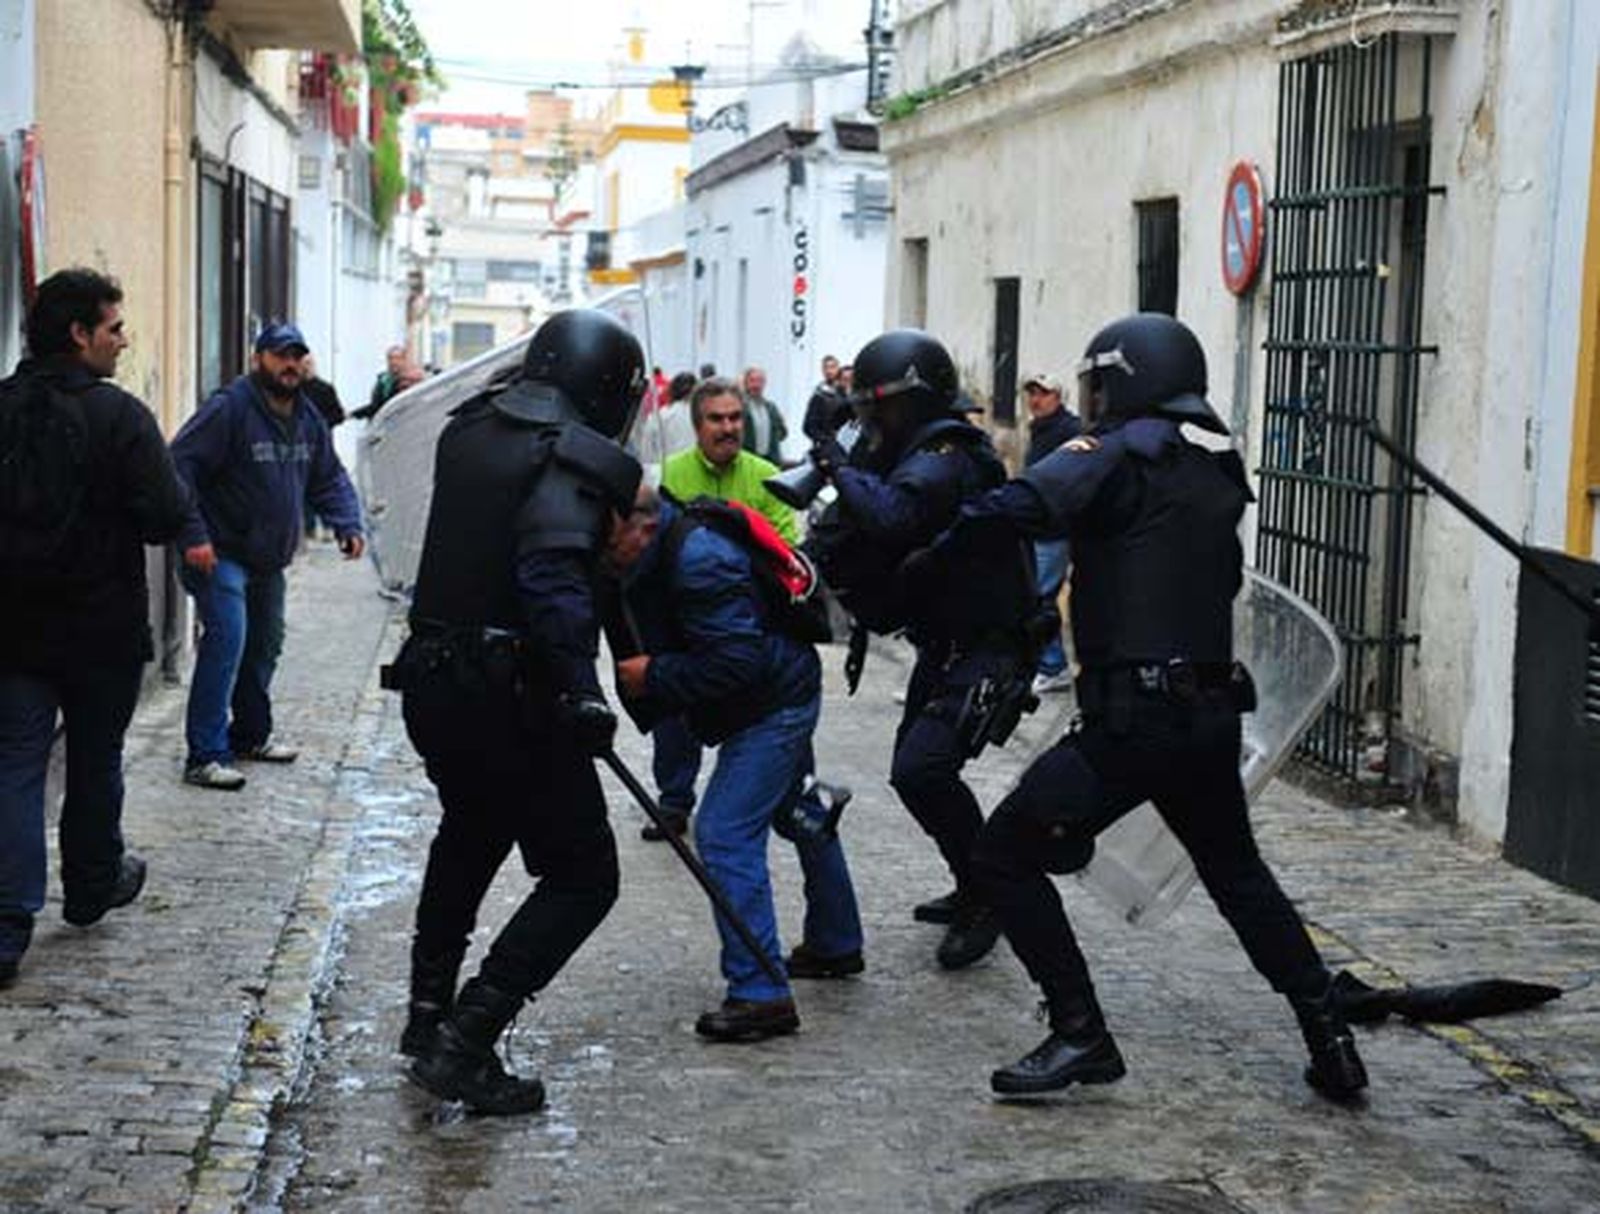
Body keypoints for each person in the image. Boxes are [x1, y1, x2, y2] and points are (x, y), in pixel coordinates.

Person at [917, 313, 1368, 1101]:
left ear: (1127, 380)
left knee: (1000, 855)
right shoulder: (1217, 464)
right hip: (1209, 717)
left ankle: (1080, 1032)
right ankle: (1330, 1038)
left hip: (1135, 723)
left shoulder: (1117, 452)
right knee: (1238, 874)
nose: (1093, 401)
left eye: (1099, 385)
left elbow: (1018, 506)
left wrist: (935, 544)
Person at [389, 308, 644, 1115]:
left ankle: (426, 1017)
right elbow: (550, 576)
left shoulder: (469, 430)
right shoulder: (571, 457)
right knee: (585, 876)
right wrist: (581, 689)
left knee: (470, 833)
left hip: (435, 680)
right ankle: (465, 1040)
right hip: (512, 695)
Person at [804, 330, 1038, 972]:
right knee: (915, 775)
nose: (870, 424)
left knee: (923, 770)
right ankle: (973, 880)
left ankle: (990, 895)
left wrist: (835, 456)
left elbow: (892, 517)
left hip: (989, 646)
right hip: (946, 645)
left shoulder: (947, 455)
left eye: (875, 410)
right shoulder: (907, 453)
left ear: (906, 403)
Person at [606, 486, 862, 1041]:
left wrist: (655, 675)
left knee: (724, 831)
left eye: (609, 542)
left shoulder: (699, 560)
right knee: (795, 811)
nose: (606, 556)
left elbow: (736, 662)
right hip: (778, 687)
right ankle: (836, 942)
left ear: (641, 527)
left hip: (773, 704)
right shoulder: (666, 545)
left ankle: (761, 994)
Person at [0, 269, 195, 985]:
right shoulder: (120, 418)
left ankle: (6, 927)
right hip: (99, 630)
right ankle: (90, 884)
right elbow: (167, 514)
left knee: (16, 767)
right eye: (114, 328)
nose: (124, 340)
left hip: (14, 629)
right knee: (93, 761)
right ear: (80, 334)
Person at [171, 324, 365, 791]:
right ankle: (205, 755)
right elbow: (178, 464)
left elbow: (328, 476)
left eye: (297, 356)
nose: (290, 365)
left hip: (268, 558)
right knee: (227, 640)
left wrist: (347, 522)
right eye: (280, 355)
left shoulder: (307, 417)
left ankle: (250, 736)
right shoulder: (229, 409)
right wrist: (192, 533)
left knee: (265, 644)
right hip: (219, 552)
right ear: (258, 359)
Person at [645, 379, 800, 842]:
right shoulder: (668, 476)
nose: (728, 427)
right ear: (697, 426)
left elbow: (787, 547)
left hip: (752, 623)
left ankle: (782, 802)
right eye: (716, 419)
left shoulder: (768, 476)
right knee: (672, 709)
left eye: (734, 418)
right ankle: (674, 801)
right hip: (683, 624)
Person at [1020, 372, 1081, 695]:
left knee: (1039, 596)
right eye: (1032, 393)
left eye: (1043, 393)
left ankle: (1053, 666)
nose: (1035, 400)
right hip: (1040, 527)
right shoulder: (1041, 429)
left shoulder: (1069, 430)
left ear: (1058, 396)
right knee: (1038, 596)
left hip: (1055, 530)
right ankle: (1050, 664)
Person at [634, 370, 697, 472]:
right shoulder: (703, 416)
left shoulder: (657, 417)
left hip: (664, 473)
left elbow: (646, 454)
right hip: (694, 473)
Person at [740, 366, 788, 466]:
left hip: (770, 460)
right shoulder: (739, 406)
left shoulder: (771, 407)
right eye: (752, 381)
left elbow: (783, 433)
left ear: (764, 384)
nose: (756, 385)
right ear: (745, 383)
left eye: (760, 381)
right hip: (748, 460)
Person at [352, 345, 407, 421]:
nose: (394, 362)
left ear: (404, 360)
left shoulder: (409, 381)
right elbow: (376, 407)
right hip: (383, 423)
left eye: (397, 358)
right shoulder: (383, 380)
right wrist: (353, 414)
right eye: (391, 358)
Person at [803, 354, 847, 442]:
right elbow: (808, 426)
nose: (829, 371)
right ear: (822, 370)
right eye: (825, 368)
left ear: (838, 368)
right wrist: (825, 440)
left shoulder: (846, 393)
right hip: (827, 445)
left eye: (832, 367)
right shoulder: (819, 396)